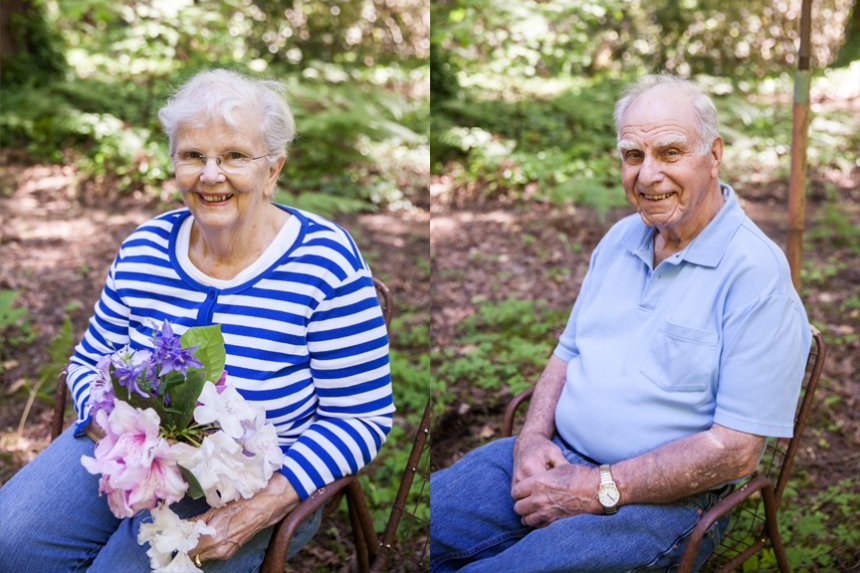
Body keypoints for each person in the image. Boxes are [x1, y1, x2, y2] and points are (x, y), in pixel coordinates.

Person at [0, 69, 395, 573]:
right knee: (10, 542)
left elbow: (360, 417)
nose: (211, 175)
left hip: (251, 480)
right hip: (131, 455)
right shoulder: (145, 248)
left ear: (273, 169)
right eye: (193, 156)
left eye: (234, 156)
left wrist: (257, 509)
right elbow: (87, 362)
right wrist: (111, 423)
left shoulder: (325, 263)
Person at [430, 74, 811, 573]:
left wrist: (600, 486)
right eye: (634, 156)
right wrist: (531, 440)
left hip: (663, 502)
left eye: (670, 153)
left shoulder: (755, 273)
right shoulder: (619, 240)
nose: (648, 175)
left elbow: (736, 451)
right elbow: (565, 356)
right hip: (553, 457)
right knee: (430, 524)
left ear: (714, 155)